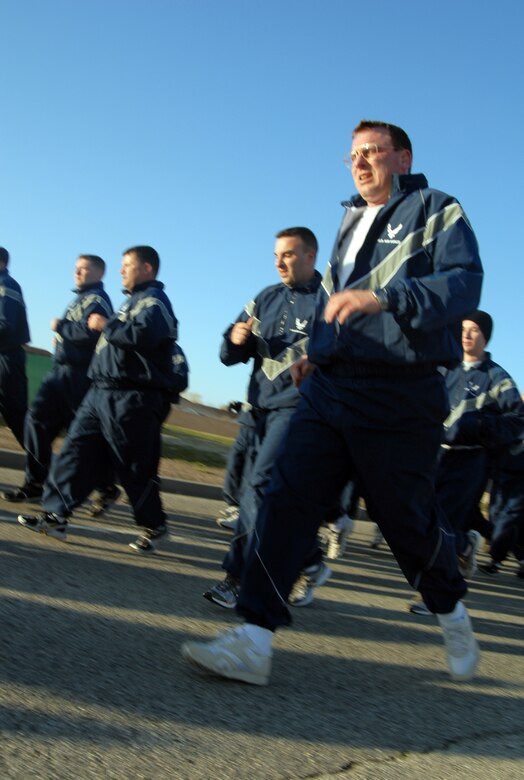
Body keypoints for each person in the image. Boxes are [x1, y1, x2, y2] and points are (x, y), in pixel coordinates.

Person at [182, 119, 484, 685]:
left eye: (373, 151)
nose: (360, 162)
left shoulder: (437, 208)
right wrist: (317, 356)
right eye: (353, 155)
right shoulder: (348, 221)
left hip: (400, 392)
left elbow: (464, 283)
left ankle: (450, 609)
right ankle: (254, 639)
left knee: (405, 521)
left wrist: (385, 298)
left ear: (403, 158)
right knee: (284, 496)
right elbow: (333, 304)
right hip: (330, 388)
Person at [17, 245, 179, 553]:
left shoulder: (156, 302)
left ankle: (154, 525)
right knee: (74, 452)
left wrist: (106, 325)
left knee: (133, 466)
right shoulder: (131, 302)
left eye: (127, 265)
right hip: (99, 391)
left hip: (130, 396)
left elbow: (143, 336)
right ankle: (55, 515)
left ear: (146, 268)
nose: (121, 270)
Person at [204, 227, 331, 609]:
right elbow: (228, 354)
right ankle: (309, 558)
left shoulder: (330, 301)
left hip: (298, 411)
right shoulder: (264, 297)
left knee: (256, 488)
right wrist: (235, 340)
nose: (279, 262)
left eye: (288, 254)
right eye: (276, 255)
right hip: (257, 410)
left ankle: (236, 578)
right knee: (272, 497)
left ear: (310, 256)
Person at [408, 311, 524, 614]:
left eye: (474, 330)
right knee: (420, 520)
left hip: (470, 461)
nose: (467, 335)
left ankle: (434, 595)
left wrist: (482, 426)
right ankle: (465, 545)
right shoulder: (444, 367)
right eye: (463, 329)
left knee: (442, 525)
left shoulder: (497, 377)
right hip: (434, 456)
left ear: (486, 336)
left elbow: (517, 420)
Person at [2, 255, 115, 506]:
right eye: (76, 268)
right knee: (35, 422)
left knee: (81, 435)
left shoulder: (97, 300)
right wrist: (62, 340)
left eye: (83, 269)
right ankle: (36, 482)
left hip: (79, 375)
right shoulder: (80, 299)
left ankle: (105, 484)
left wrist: (61, 327)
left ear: (98, 273)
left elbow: (92, 332)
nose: (77, 272)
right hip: (59, 372)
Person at [0, 247, 30, 448]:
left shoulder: (6, 285)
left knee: (16, 416)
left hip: (6, 358)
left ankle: (41, 462)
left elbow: (6, 324)